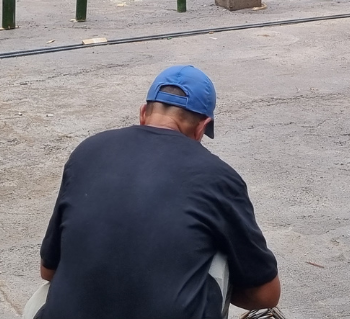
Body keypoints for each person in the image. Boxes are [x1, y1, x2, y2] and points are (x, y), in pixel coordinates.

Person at [31, 64, 281, 319]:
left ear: (143, 113)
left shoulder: (87, 151)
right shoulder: (218, 176)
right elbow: (266, 295)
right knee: (218, 258)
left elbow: (48, 270)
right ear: (201, 127)